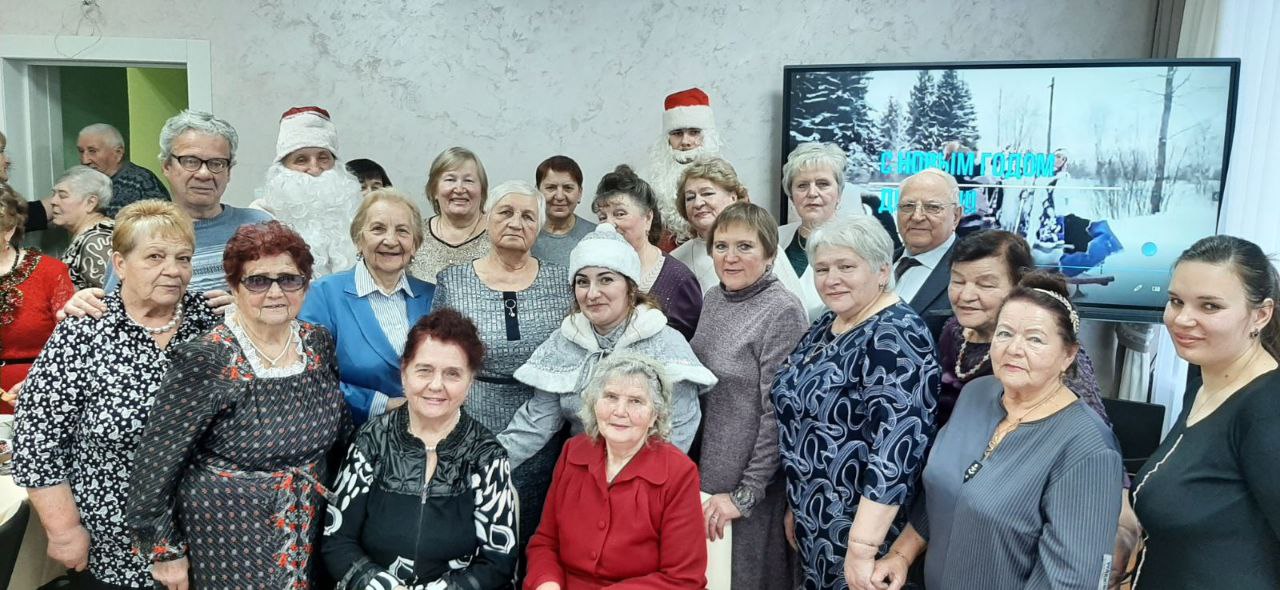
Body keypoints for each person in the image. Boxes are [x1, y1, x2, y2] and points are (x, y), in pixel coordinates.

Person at [126, 221, 347, 590]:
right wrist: (164, 552)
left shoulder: (317, 342)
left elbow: (339, 434)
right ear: (234, 286)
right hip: (228, 537)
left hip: (311, 526)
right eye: (258, 281)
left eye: (289, 280)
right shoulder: (206, 356)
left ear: (306, 285)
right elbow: (155, 464)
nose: (275, 292)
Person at [11, 200, 220, 588]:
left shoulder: (212, 323)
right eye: (155, 257)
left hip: (212, 541)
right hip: (113, 546)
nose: (173, 270)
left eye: (183, 258)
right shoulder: (84, 330)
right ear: (120, 264)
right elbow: (37, 440)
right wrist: (63, 530)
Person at [874, 271, 1124, 590]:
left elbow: (1071, 580)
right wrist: (900, 555)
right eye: (1005, 333)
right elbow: (943, 491)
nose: (1014, 348)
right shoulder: (975, 393)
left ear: (1068, 354)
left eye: (1035, 339)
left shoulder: (1088, 447)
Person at [770, 215, 939, 590]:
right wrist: (799, 503)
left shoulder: (896, 334)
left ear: (882, 271)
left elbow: (895, 454)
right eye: (822, 269)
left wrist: (863, 549)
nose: (831, 279)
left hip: (867, 534)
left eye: (846, 267)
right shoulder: (828, 323)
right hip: (817, 519)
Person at [324, 309, 518, 589]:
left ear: (470, 381)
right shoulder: (370, 440)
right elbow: (337, 540)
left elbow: (498, 561)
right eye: (424, 370)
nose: (436, 385)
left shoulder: (487, 455)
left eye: (452, 374)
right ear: (404, 372)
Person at [1130, 235, 1280, 589]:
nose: (1182, 319)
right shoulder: (1201, 384)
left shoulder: (1266, 410)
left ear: (1260, 315)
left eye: (1209, 306)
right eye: (1176, 301)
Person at [430, 180, 572, 554]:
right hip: (467, 427)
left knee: (532, 538)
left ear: (539, 226)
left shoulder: (562, 281)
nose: (516, 222)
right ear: (488, 217)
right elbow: (437, 358)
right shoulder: (454, 280)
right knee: (470, 537)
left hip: (543, 426)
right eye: (506, 212)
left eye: (528, 216)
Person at [499, 223, 714, 465]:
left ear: (630, 287)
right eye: (583, 282)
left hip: (647, 476)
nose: (592, 294)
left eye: (606, 280)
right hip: (582, 472)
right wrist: (486, 466)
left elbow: (680, 427)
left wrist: (639, 478)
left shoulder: (665, 343)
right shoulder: (564, 342)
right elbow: (536, 423)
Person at [690, 202, 808, 590]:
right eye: (721, 246)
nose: (730, 257)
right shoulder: (714, 298)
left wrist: (746, 494)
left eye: (745, 246)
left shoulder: (782, 310)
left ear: (770, 253)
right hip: (708, 476)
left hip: (752, 489)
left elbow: (779, 413)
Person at [61, 110, 273, 320]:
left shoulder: (260, 227)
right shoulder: (140, 233)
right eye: (190, 161)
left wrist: (250, 310)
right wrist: (85, 305)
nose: (204, 173)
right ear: (166, 166)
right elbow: (113, 311)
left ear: (229, 171)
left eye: (216, 163)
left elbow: (288, 298)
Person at [524, 352, 708, 589]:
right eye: (611, 397)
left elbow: (683, 578)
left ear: (655, 415)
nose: (620, 411)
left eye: (636, 401)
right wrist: (547, 584)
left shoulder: (678, 472)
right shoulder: (573, 452)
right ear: (594, 403)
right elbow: (545, 542)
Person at [939, 230, 1113, 428]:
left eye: (985, 285)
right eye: (958, 281)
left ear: (1018, 285)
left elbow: (1091, 431)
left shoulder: (1053, 351)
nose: (965, 296)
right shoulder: (952, 329)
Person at [300, 188, 435, 425]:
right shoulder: (324, 294)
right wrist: (383, 405)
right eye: (378, 229)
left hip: (428, 431)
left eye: (402, 231)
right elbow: (308, 377)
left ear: (415, 244)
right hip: (353, 433)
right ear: (358, 240)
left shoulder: (432, 296)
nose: (391, 240)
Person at [593, 165, 702, 340]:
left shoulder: (679, 279)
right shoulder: (593, 272)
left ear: (648, 218)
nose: (609, 224)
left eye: (620, 214)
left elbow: (691, 345)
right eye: (602, 217)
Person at [252, 106, 361, 276]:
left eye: (323, 158)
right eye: (301, 160)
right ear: (282, 167)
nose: (315, 169)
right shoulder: (260, 217)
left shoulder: (357, 213)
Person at [0, 184, 75, 413]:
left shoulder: (50, 272)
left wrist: (41, 385)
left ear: (8, 230)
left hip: (36, 394)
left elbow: (71, 346)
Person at [643, 87, 725, 249]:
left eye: (694, 132)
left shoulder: (728, 182)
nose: (685, 142)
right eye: (677, 133)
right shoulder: (648, 185)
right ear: (667, 139)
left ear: (707, 137)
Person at [775, 142, 847, 320]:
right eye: (802, 185)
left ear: (839, 194)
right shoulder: (773, 238)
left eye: (822, 184)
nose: (812, 193)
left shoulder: (857, 246)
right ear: (791, 196)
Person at [893, 168, 962, 339]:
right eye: (908, 206)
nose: (917, 217)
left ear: (955, 216)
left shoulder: (971, 270)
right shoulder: (879, 264)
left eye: (932, 207)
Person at [408, 147, 492, 283]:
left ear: (482, 191)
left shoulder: (500, 234)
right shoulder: (414, 234)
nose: (459, 189)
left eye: (468, 180)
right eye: (450, 180)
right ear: (434, 190)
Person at [670, 156, 750, 292]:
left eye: (707, 193)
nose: (697, 203)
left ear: (733, 198)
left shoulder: (760, 246)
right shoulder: (675, 260)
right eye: (690, 197)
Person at [77, 123, 170, 217]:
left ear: (118, 153)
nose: (85, 160)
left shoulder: (140, 181)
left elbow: (164, 222)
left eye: (92, 151)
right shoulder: (83, 183)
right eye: (81, 151)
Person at [49, 165, 115, 289]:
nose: (53, 201)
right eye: (54, 194)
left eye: (62, 196)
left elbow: (113, 294)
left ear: (91, 202)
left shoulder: (97, 241)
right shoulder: (90, 234)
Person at [530, 155, 595, 267]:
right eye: (551, 187)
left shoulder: (595, 236)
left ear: (580, 193)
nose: (559, 196)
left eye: (568, 188)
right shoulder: (523, 233)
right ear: (537, 192)